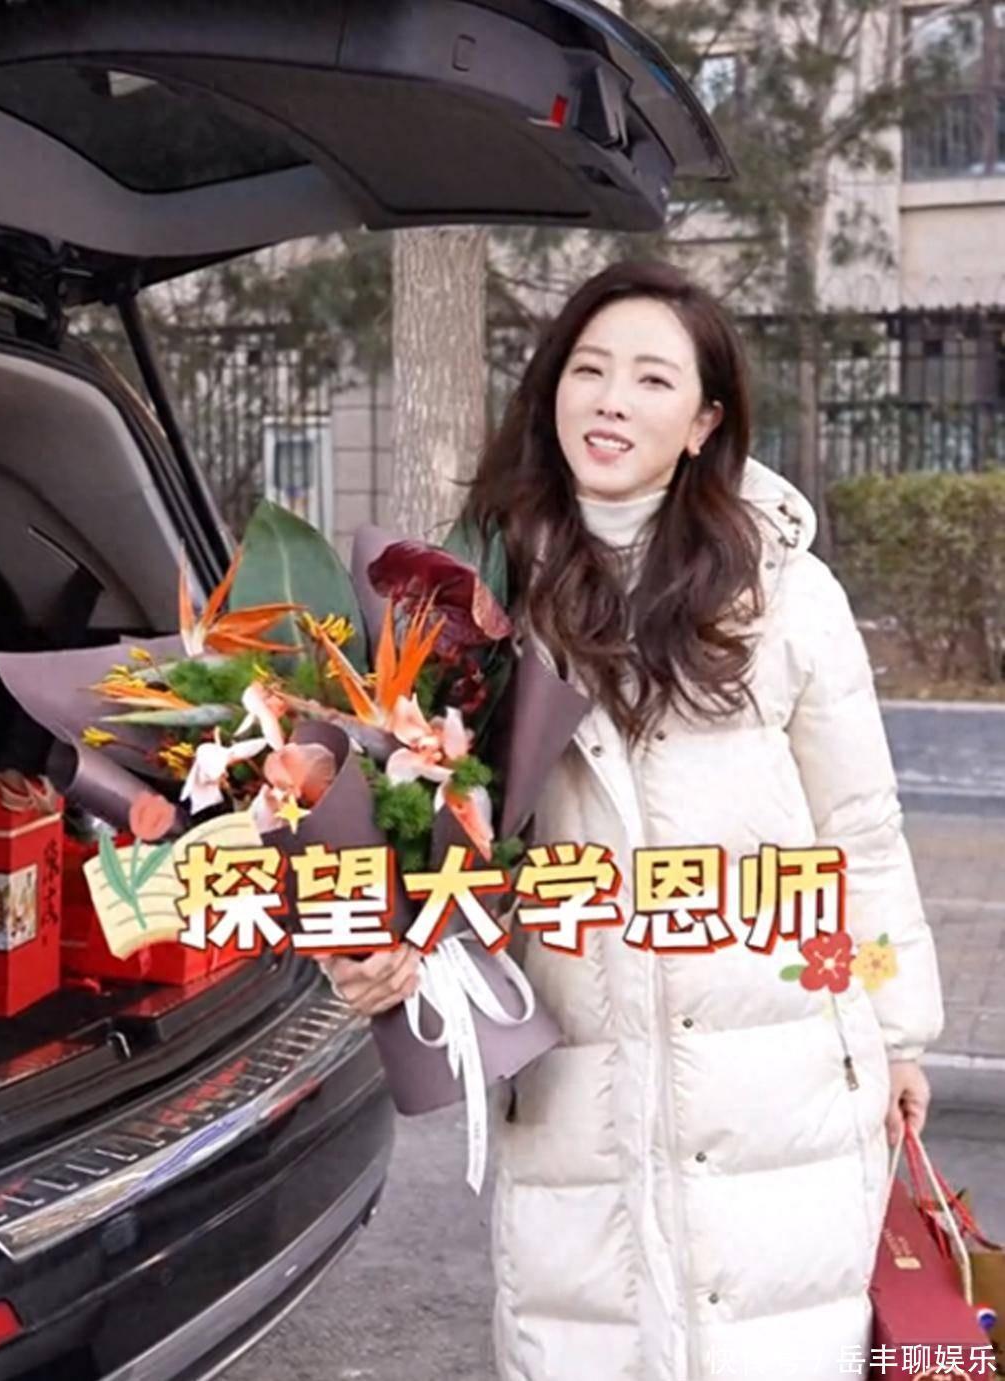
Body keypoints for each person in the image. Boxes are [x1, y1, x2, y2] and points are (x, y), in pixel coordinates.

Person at [319, 260, 944, 1381]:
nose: (611, 401)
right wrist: (384, 951)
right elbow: (438, 848)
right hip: (579, 1093)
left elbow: (858, 833)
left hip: (778, 1083)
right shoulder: (470, 606)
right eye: (590, 369)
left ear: (703, 422)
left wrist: (897, 1031)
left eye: (653, 379)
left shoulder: (788, 595)